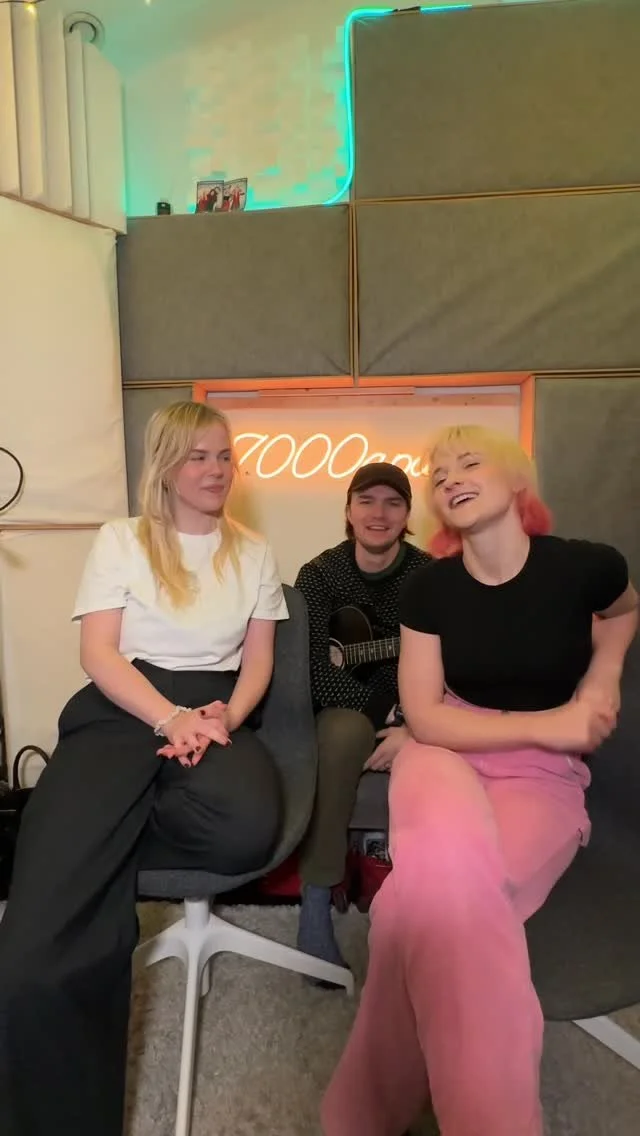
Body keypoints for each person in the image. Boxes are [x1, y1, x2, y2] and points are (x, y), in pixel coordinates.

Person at [322, 425, 638, 1136]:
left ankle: (356, 1118)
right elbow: (427, 718)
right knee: (446, 902)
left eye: (469, 462)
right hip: (443, 754)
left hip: (541, 777)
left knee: (420, 910)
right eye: (438, 474)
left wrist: (604, 674)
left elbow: (624, 613)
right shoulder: (429, 589)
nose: (451, 478)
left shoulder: (586, 567)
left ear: (517, 478)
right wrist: (552, 723)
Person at [0, 400, 288, 1136]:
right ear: (165, 464)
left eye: (224, 456)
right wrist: (168, 718)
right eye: (199, 456)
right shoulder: (121, 540)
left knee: (249, 829)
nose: (216, 470)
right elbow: (98, 653)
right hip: (125, 702)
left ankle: (106, 833)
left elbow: (258, 661)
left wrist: (224, 716)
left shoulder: (254, 551)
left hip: (213, 708)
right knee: (41, 931)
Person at [294, 463, 430, 970]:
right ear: (348, 511)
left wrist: (412, 727)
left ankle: (429, 908)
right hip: (344, 712)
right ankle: (316, 897)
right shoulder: (320, 574)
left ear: (408, 515)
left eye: (393, 503)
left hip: (418, 711)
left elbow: (448, 664)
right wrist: (382, 716)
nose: (379, 513)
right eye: (366, 501)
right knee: (344, 733)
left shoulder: (430, 576)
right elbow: (310, 669)